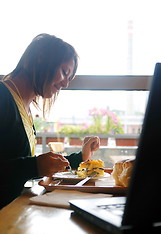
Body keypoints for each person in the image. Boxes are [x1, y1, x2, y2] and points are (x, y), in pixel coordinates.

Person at [0, 33, 100, 209]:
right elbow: (26, 166)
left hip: (12, 211)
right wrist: (34, 166)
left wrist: (80, 158)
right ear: (40, 60)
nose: (65, 84)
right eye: (64, 72)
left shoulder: (24, 107)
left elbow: (19, 165)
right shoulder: (2, 97)